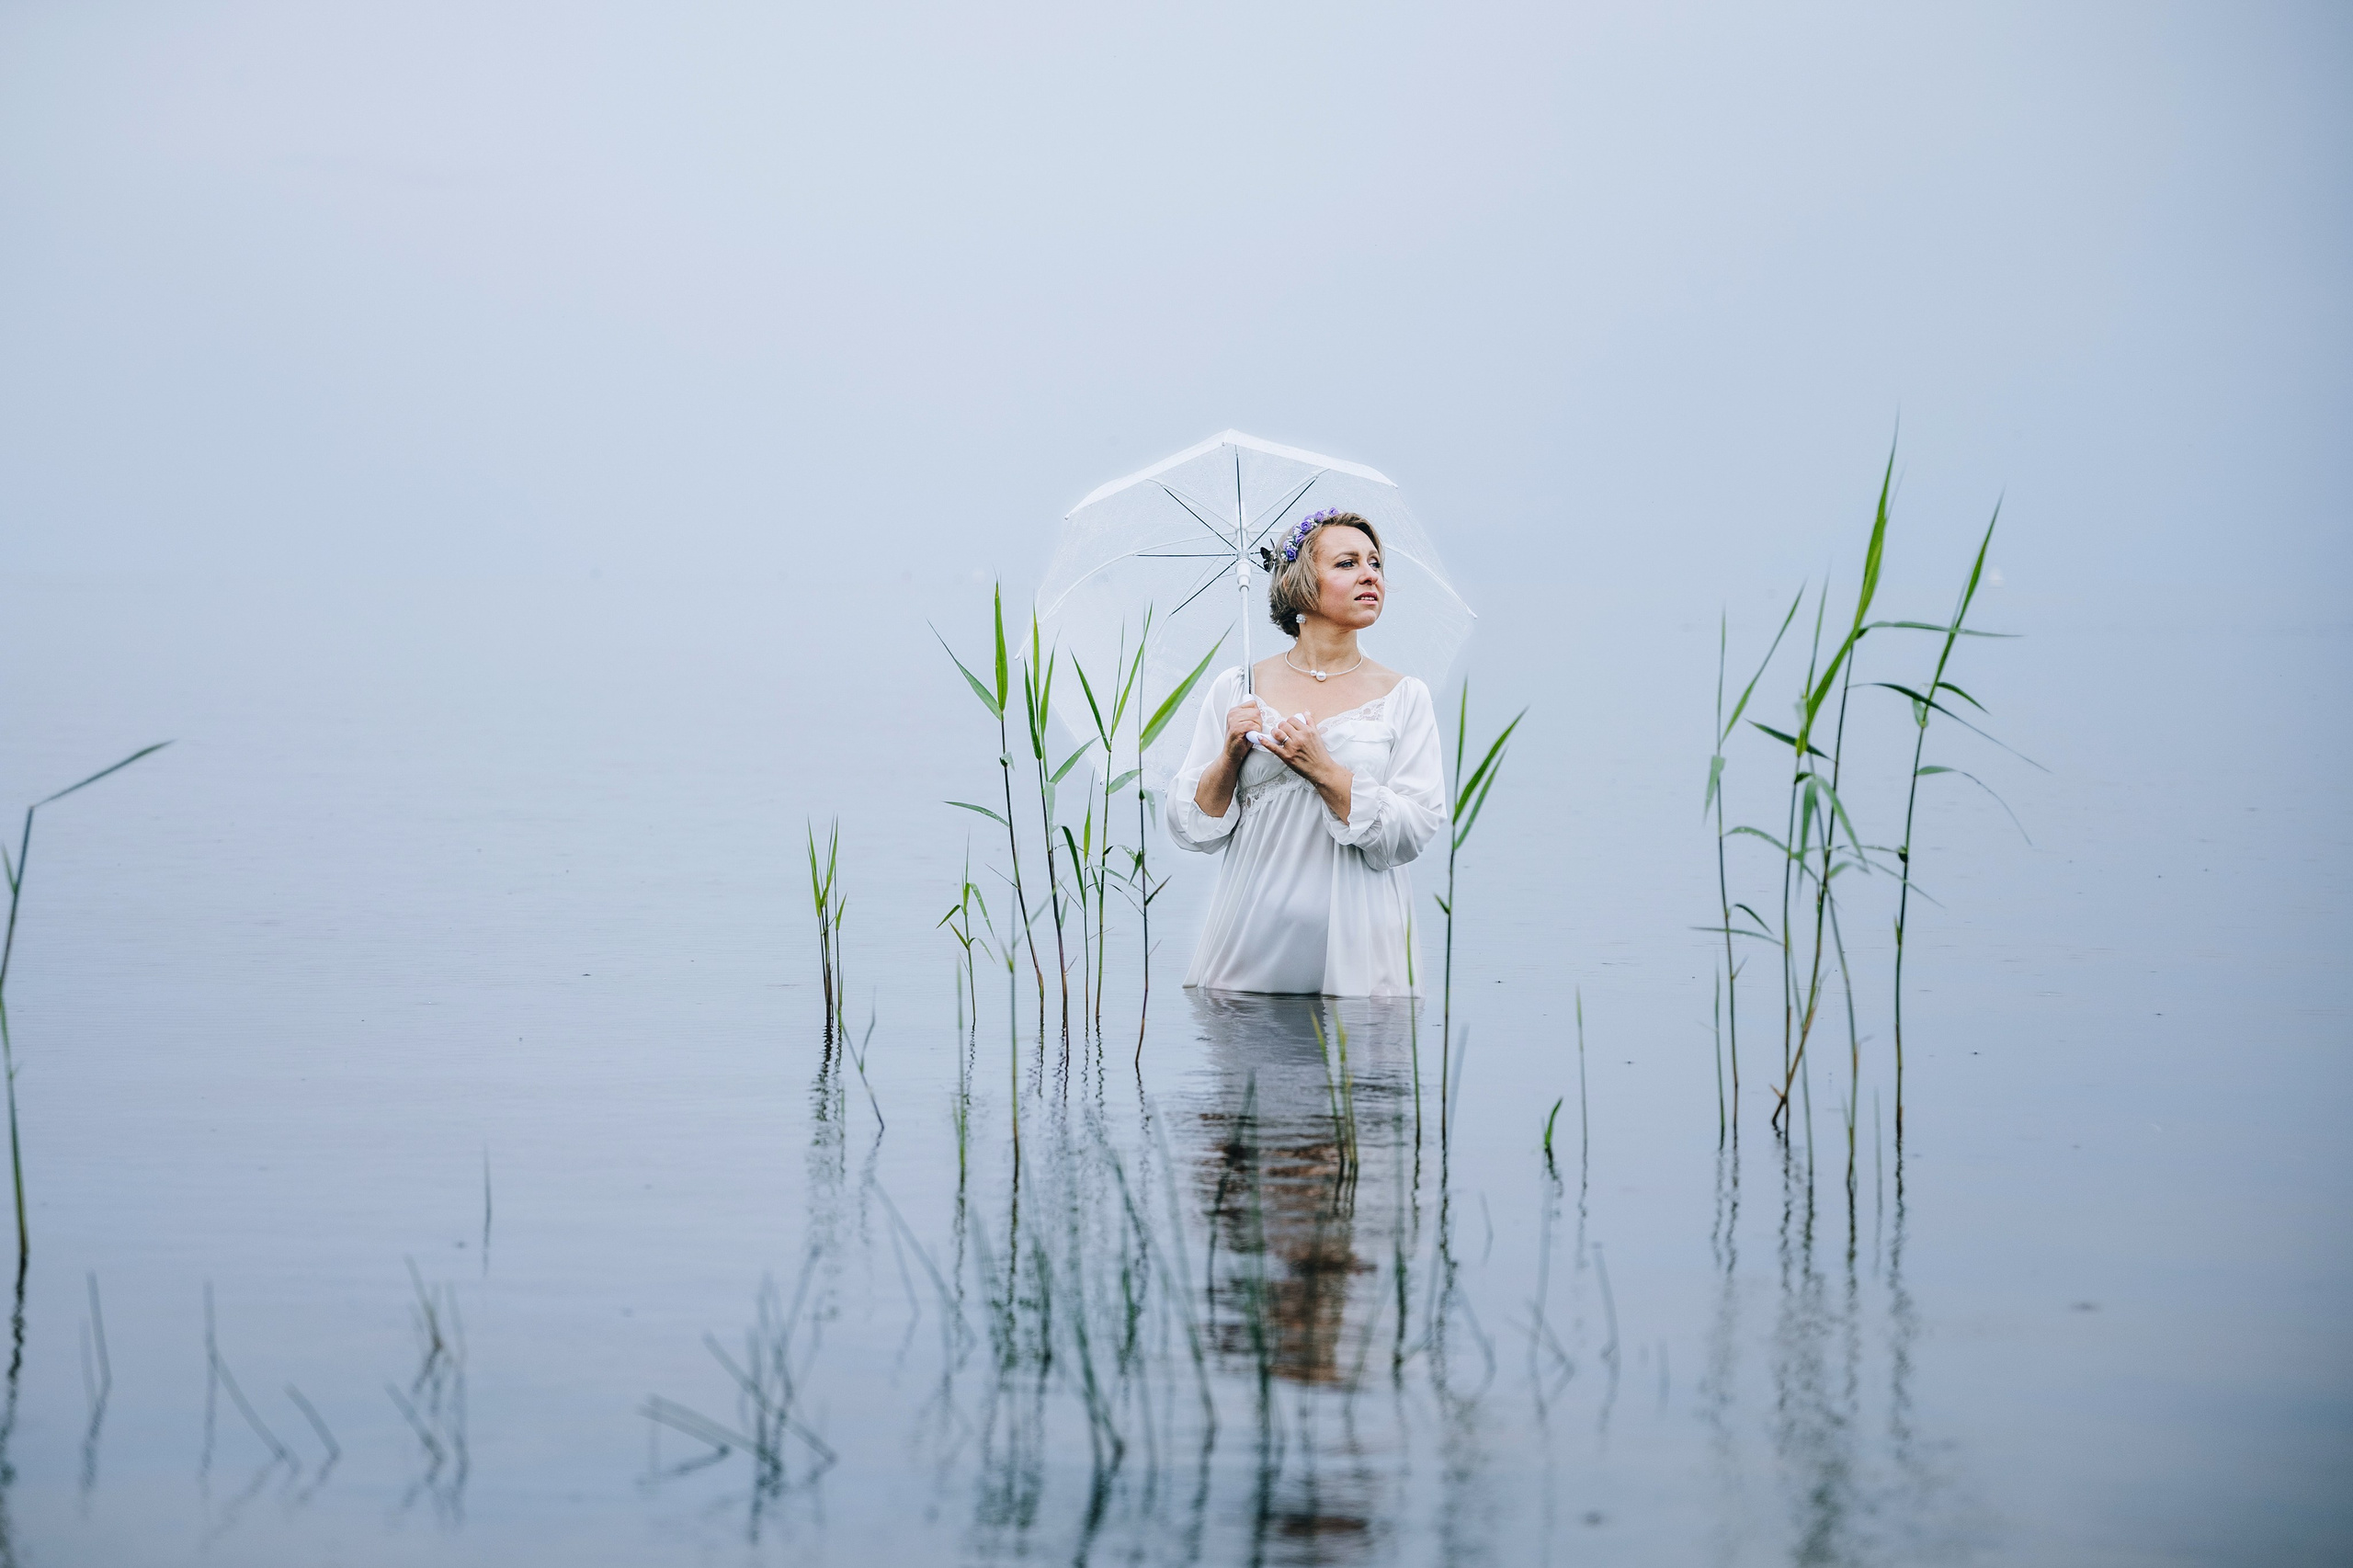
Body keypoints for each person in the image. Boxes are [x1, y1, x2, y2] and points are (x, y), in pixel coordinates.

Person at [1165, 508, 1446, 995]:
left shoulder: (1405, 696)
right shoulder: (1238, 688)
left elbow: (1413, 832)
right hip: (1250, 941)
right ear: (1300, 583)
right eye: (1347, 563)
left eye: (1375, 563)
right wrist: (1230, 755)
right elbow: (1194, 828)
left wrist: (1324, 771)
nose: (1370, 575)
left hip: (1361, 947)